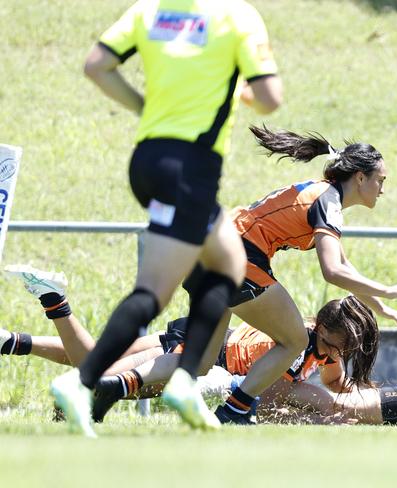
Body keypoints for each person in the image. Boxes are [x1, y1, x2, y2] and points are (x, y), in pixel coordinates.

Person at [50, 0, 283, 436]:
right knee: (154, 292)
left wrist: (146, 110)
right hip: (189, 169)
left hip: (149, 159)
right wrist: (244, 91)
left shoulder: (149, 11)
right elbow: (270, 98)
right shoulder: (237, 15)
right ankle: (81, 380)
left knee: (229, 264)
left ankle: (184, 379)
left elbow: (97, 66)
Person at [182, 125, 397, 425]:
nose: (383, 188)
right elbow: (332, 272)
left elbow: (345, 267)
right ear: (360, 177)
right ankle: (235, 410)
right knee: (294, 340)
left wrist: (380, 306)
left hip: (217, 245)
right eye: (380, 180)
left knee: (203, 359)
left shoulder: (325, 195)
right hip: (236, 255)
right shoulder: (329, 203)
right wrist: (388, 289)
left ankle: (116, 384)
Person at [2, 265, 379, 423]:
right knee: (92, 377)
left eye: (343, 351)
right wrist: (323, 410)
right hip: (206, 351)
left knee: (92, 360)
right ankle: (53, 300)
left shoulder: (315, 339)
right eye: (334, 345)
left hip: (207, 337)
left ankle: (10, 341)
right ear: (322, 327)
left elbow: (333, 381)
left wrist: (357, 390)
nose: (336, 355)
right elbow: (275, 394)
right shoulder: (297, 347)